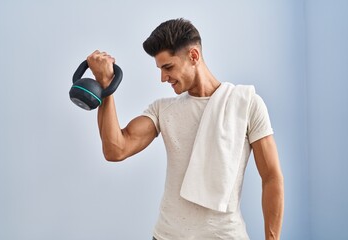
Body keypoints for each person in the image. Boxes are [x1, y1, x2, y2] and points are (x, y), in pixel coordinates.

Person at [87, 18, 284, 240]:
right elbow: (116, 150)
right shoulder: (163, 110)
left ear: (193, 56)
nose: (163, 78)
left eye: (168, 67)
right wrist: (106, 86)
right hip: (167, 236)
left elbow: (271, 176)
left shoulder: (246, 103)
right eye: (160, 69)